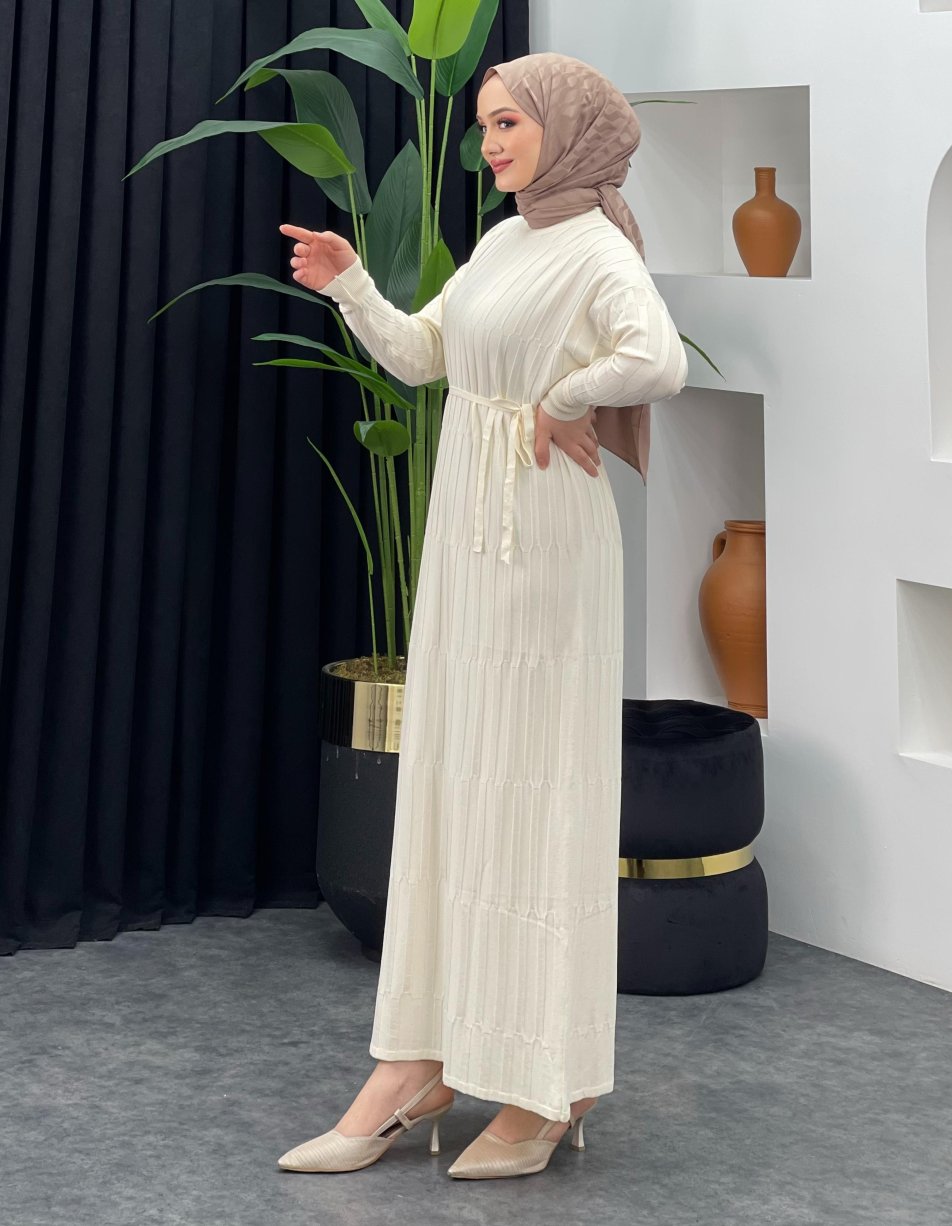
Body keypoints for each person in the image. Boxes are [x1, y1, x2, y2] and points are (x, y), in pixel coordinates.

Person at [275, 51, 688, 1181]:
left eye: (511, 123)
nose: (492, 143)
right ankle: (420, 1062)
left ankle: (549, 1082)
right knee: (457, 785)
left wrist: (564, 395)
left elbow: (655, 360)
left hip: (545, 542)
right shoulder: (504, 242)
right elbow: (423, 357)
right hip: (467, 538)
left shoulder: (598, 249)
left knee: (537, 792)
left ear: (569, 130)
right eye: (488, 125)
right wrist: (352, 284)